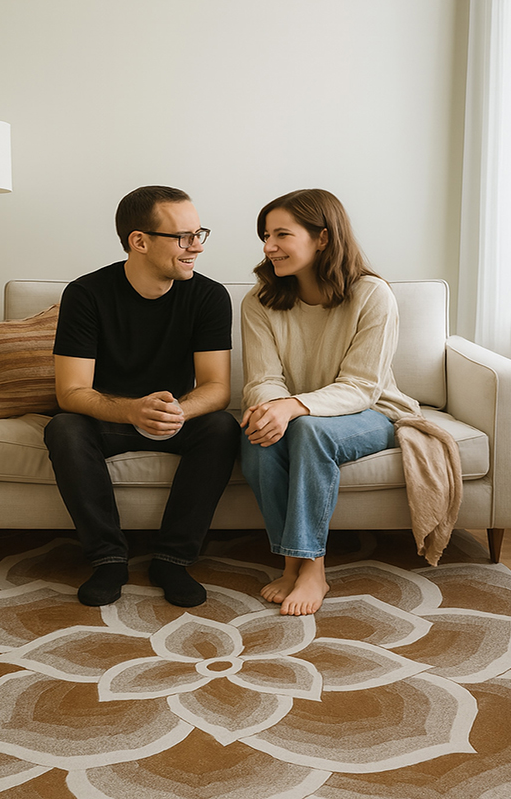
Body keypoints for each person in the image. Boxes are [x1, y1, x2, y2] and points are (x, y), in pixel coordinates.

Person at [44, 185, 240, 608]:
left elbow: (217, 387)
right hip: (109, 419)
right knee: (64, 428)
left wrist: (176, 411)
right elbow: (71, 391)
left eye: (199, 234)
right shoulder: (86, 293)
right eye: (183, 237)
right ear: (139, 241)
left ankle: (172, 560)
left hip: (174, 418)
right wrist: (132, 410)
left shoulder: (209, 296)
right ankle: (107, 559)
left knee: (222, 426)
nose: (197, 247)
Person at [240, 188, 421, 617]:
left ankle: (311, 567)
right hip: (297, 413)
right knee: (256, 436)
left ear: (322, 237)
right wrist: (273, 410)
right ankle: (292, 564)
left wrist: (291, 408)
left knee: (308, 430)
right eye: (266, 236)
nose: (268, 247)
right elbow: (263, 380)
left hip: (372, 412)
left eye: (281, 234)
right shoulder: (259, 300)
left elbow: (361, 386)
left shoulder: (372, 294)